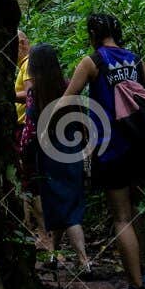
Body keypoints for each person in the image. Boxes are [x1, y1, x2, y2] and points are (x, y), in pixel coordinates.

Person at [64, 12, 145, 289]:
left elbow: (67, 101)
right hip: (139, 146)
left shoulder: (92, 62)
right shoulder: (135, 59)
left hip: (110, 147)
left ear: (93, 33)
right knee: (136, 208)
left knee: (121, 217)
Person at [26, 43, 92, 274]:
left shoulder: (36, 93)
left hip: (48, 155)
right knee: (62, 205)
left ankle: (84, 261)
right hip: (71, 152)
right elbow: (83, 120)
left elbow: (31, 124)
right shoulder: (68, 86)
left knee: (66, 211)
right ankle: (54, 255)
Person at [13, 30, 45, 241]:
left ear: (22, 43)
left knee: (30, 179)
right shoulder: (26, 64)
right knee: (25, 178)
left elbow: (30, 94)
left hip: (26, 128)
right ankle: (28, 225)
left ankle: (43, 230)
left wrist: (8, 95)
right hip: (24, 128)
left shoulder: (28, 64)